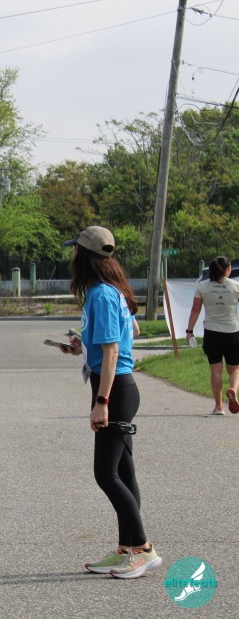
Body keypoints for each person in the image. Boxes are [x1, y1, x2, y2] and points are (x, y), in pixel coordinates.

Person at [58, 226, 161, 579]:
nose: (72, 255)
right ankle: (125, 549)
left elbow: (114, 350)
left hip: (114, 390)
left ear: (85, 256)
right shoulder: (114, 290)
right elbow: (131, 332)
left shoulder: (101, 294)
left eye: (75, 250)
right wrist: (82, 346)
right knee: (124, 472)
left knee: (106, 473)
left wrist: (101, 400)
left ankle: (143, 549)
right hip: (119, 386)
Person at [185, 256, 239, 415]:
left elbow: (195, 310)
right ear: (227, 269)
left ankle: (218, 406)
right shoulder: (236, 286)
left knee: (216, 370)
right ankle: (233, 390)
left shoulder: (202, 286)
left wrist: (189, 331)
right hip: (232, 332)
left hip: (211, 332)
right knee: (234, 369)